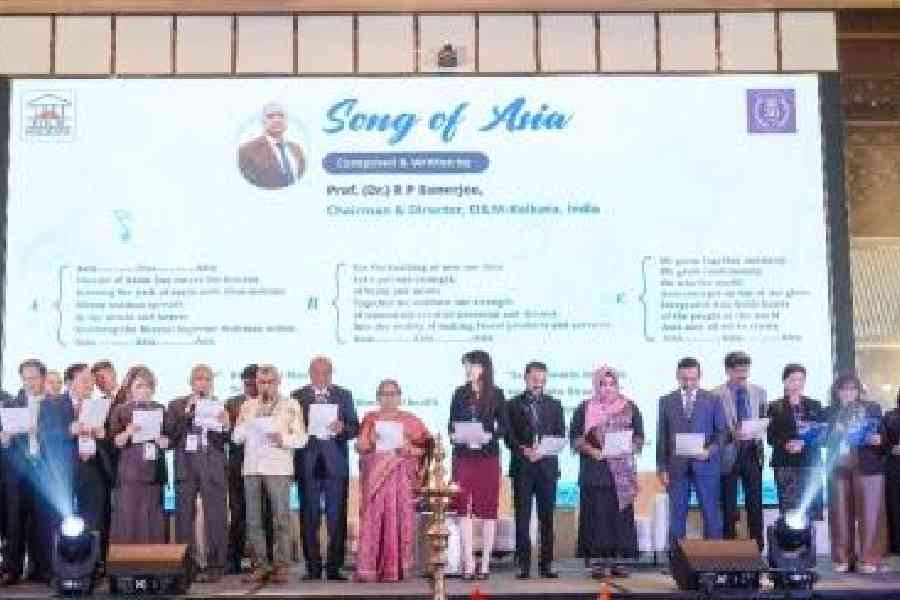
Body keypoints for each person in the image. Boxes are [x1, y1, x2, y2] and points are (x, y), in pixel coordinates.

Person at [232, 365, 307, 584]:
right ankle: (260, 564)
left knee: (281, 517)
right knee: (253, 519)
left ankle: (282, 565)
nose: (265, 386)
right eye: (261, 382)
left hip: (278, 467)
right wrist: (248, 424)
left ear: (278, 382)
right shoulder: (248, 406)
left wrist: (283, 439)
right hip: (252, 467)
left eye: (270, 382)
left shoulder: (291, 405)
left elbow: (302, 438)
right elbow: (236, 437)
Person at [0, 359, 72, 585]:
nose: (29, 383)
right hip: (17, 470)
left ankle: (46, 569)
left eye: (34, 378)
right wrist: (4, 438)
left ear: (43, 378)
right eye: (25, 378)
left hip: (45, 470)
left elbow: (63, 435)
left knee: (45, 520)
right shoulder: (11, 404)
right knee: (14, 519)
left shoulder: (57, 404)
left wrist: (39, 431)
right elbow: (3, 436)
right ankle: (11, 569)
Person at [571, 366, 644, 579]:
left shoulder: (630, 407)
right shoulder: (585, 408)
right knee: (596, 517)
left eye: (612, 384)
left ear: (617, 385)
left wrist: (629, 447)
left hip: (621, 473)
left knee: (620, 519)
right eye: (603, 384)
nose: (607, 388)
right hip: (595, 470)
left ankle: (619, 562)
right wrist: (592, 450)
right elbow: (575, 438)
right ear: (596, 385)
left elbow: (639, 437)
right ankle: (597, 563)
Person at [354, 379, 430, 582]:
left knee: (398, 520)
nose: (389, 398)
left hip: (401, 480)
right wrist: (371, 441)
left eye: (393, 394)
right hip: (376, 480)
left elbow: (427, 449)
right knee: (374, 521)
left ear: (399, 397)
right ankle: (371, 567)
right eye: (384, 394)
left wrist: (409, 449)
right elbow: (360, 447)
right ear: (378, 397)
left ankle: (396, 568)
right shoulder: (370, 419)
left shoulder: (411, 420)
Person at [291, 356, 359, 581]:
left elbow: (354, 427)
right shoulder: (297, 396)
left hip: (335, 464)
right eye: (317, 372)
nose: (322, 377)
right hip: (307, 462)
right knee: (309, 517)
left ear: (331, 374)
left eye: (326, 373)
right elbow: (290, 428)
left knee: (336, 517)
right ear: (310, 374)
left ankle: (334, 568)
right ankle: (312, 567)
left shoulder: (344, 395)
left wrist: (342, 428)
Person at [166, 365, 229, 582]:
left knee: (216, 515)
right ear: (191, 382)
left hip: (212, 463)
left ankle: (216, 564)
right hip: (186, 463)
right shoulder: (176, 405)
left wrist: (225, 425)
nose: (203, 383)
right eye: (199, 379)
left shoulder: (220, 404)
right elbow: (171, 435)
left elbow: (225, 440)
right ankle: (187, 564)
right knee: (184, 516)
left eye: (207, 379)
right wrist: (187, 413)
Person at [448, 350, 507, 580]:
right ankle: (469, 562)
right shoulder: (459, 393)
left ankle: (485, 564)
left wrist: (490, 435)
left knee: (488, 509)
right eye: (466, 366)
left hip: (487, 456)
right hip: (463, 456)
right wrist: (455, 435)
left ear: (483, 368)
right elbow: (451, 424)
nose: (467, 370)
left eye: (471, 365)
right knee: (463, 507)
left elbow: (504, 427)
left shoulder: (497, 394)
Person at [656, 357, 726, 545]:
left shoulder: (713, 400)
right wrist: (662, 468)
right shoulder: (666, 401)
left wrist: (709, 451)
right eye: (684, 379)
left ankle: (712, 558)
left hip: (706, 465)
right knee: (676, 517)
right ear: (677, 376)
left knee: (711, 515)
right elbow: (662, 437)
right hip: (676, 468)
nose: (688, 383)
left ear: (700, 376)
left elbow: (722, 434)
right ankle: (676, 558)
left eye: (693, 379)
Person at [505, 361, 565, 579]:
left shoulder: (555, 405)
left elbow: (560, 435)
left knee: (547, 518)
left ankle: (546, 564)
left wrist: (543, 451)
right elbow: (508, 436)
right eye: (534, 379)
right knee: (522, 517)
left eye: (542, 379)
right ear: (526, 378)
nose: (538, 383)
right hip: (522, 467)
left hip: (547, 467)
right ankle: (523, 565)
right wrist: (523, 449)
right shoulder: (512, 404)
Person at [826, 372, 887, 574]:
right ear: (837, 392)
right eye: (844, 389)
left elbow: (883, 436)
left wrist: (877, 439)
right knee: (840, 513)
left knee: (870, 514)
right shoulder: (830, 411)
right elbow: (821, 440)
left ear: (859, 391)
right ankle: (842, 558)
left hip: (868, 464)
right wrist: (834, 431)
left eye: (852, 389)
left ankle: (869, 559)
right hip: (839, 465)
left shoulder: (872, 408)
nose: (848, 393)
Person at [108, 366, 170, 544]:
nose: (144, 390)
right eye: (139, 386)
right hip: (130, 469)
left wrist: (163, 441)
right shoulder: (121, 410)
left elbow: (168, 440)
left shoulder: (160, 408)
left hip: (154, 469)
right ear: (130, 388)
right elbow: (115, 442)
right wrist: (128, 432)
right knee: (130, 515)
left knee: (154, 514)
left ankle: (154, 557)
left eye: (148, 386)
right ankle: (129, 557)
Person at [714, 351, 767, 551]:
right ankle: (729, 549)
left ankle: (757, 547)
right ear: (728, 371)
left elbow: (763, 418)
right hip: (728, 454)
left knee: (755, 503)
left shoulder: (759, 391)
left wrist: (759, 429)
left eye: (745, 370)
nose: (742, 375)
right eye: (738, 371)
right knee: (728, 505)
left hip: (752, 452)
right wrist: (731, 435)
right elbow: (714, 427)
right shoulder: (715, 394)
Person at [65, 363, 113, 569]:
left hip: (93, 469)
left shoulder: (99, 406)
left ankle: (93, 564)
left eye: (91, 381)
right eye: (84, 380)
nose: (90, 385)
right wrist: (68, 430)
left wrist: (103, 435)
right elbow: (46, 434)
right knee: (64, 520)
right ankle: (66, 563)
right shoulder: (55, 404)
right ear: (70, 383)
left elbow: (110, 441)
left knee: (95, 519)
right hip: (65, 472)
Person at [766, 363, 826, 522]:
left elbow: (822, 434)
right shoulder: (774, 406)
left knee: (812, 508)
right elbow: (771, 437)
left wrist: (804, 443)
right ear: (784, 381)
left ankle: (812, 538)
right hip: (785, 464)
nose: (797, 384)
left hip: (810, 463)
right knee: (789, 510)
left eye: (801, 380)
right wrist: (786, 444)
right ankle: (790, 537)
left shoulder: (815, 405)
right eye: (793, 380)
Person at [226, 364, 258, 573]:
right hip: (238, 464)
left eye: (254, 383)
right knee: (237, 513)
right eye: (247, 383)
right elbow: (227, 434)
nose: (251, 387)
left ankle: (261, 560)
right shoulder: (232, 403)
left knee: (261, 514)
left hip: (262, 464)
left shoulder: (270, 402)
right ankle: (234, 559)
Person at [238, 102, 306, 189]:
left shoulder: (297, 149)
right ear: (262, 122)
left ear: (286, 121)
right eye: (270, 116)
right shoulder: (247, 151)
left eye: (281, 116)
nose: (277, 120)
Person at [885, 388, 900, 556]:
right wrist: (891, 449)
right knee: (894, 505)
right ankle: (895, 545)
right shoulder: (889, 416)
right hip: (894, 466)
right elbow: (882, 441)